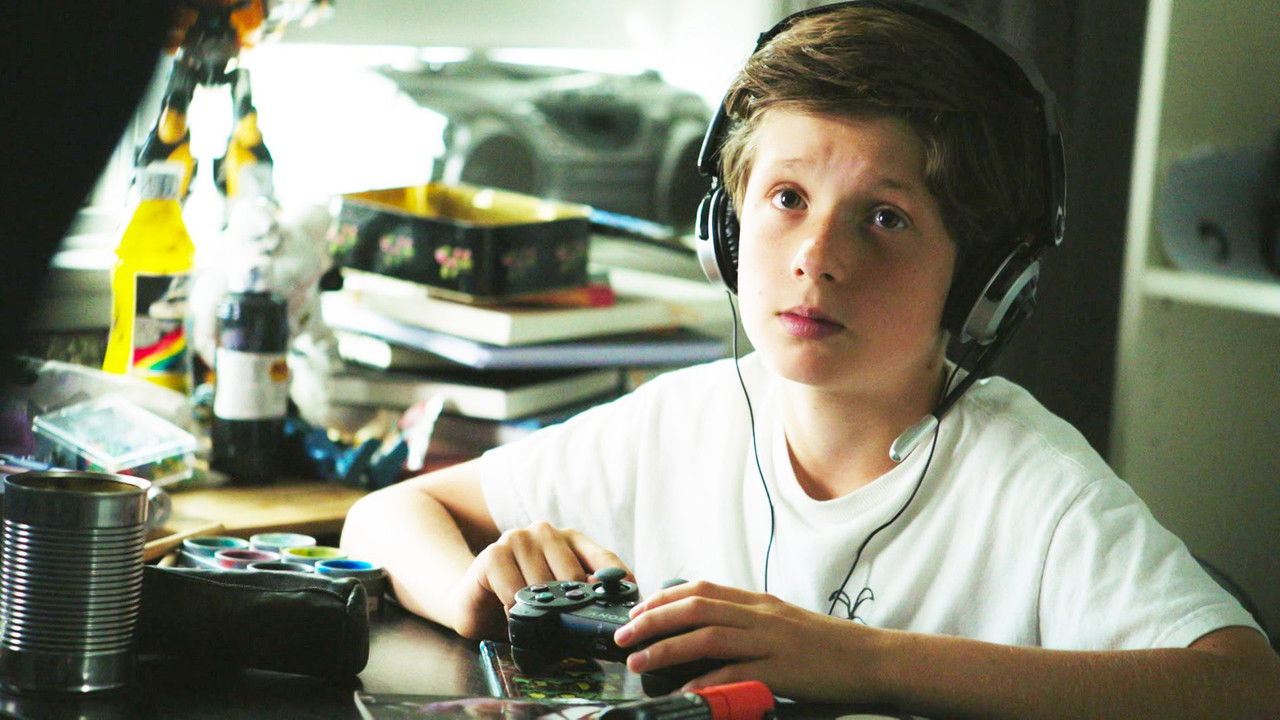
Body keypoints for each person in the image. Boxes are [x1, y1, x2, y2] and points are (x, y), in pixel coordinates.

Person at [341, 2, 1280, 717]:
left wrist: (861, 660)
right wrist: (470, 595)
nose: (818, 256)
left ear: (984, 281)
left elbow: (1244, 686)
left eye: (885, 218)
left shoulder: (1029, 483)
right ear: (725, 227)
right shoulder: (679, 422)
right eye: (787, 198)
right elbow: (387, 513)